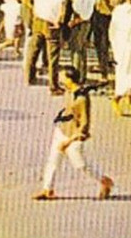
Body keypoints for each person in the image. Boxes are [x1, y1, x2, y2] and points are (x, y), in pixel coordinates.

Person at [33, 66, 114, 201]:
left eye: (63, 76)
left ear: (70, 79)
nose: (60, 79)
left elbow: (84, 123)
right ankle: (48, 189)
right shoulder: (69, 91)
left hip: (74, 135)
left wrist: (68, 141)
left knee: (80, 164)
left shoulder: (81, 98)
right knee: (53, 161)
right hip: (62, 130)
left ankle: (105, 181)